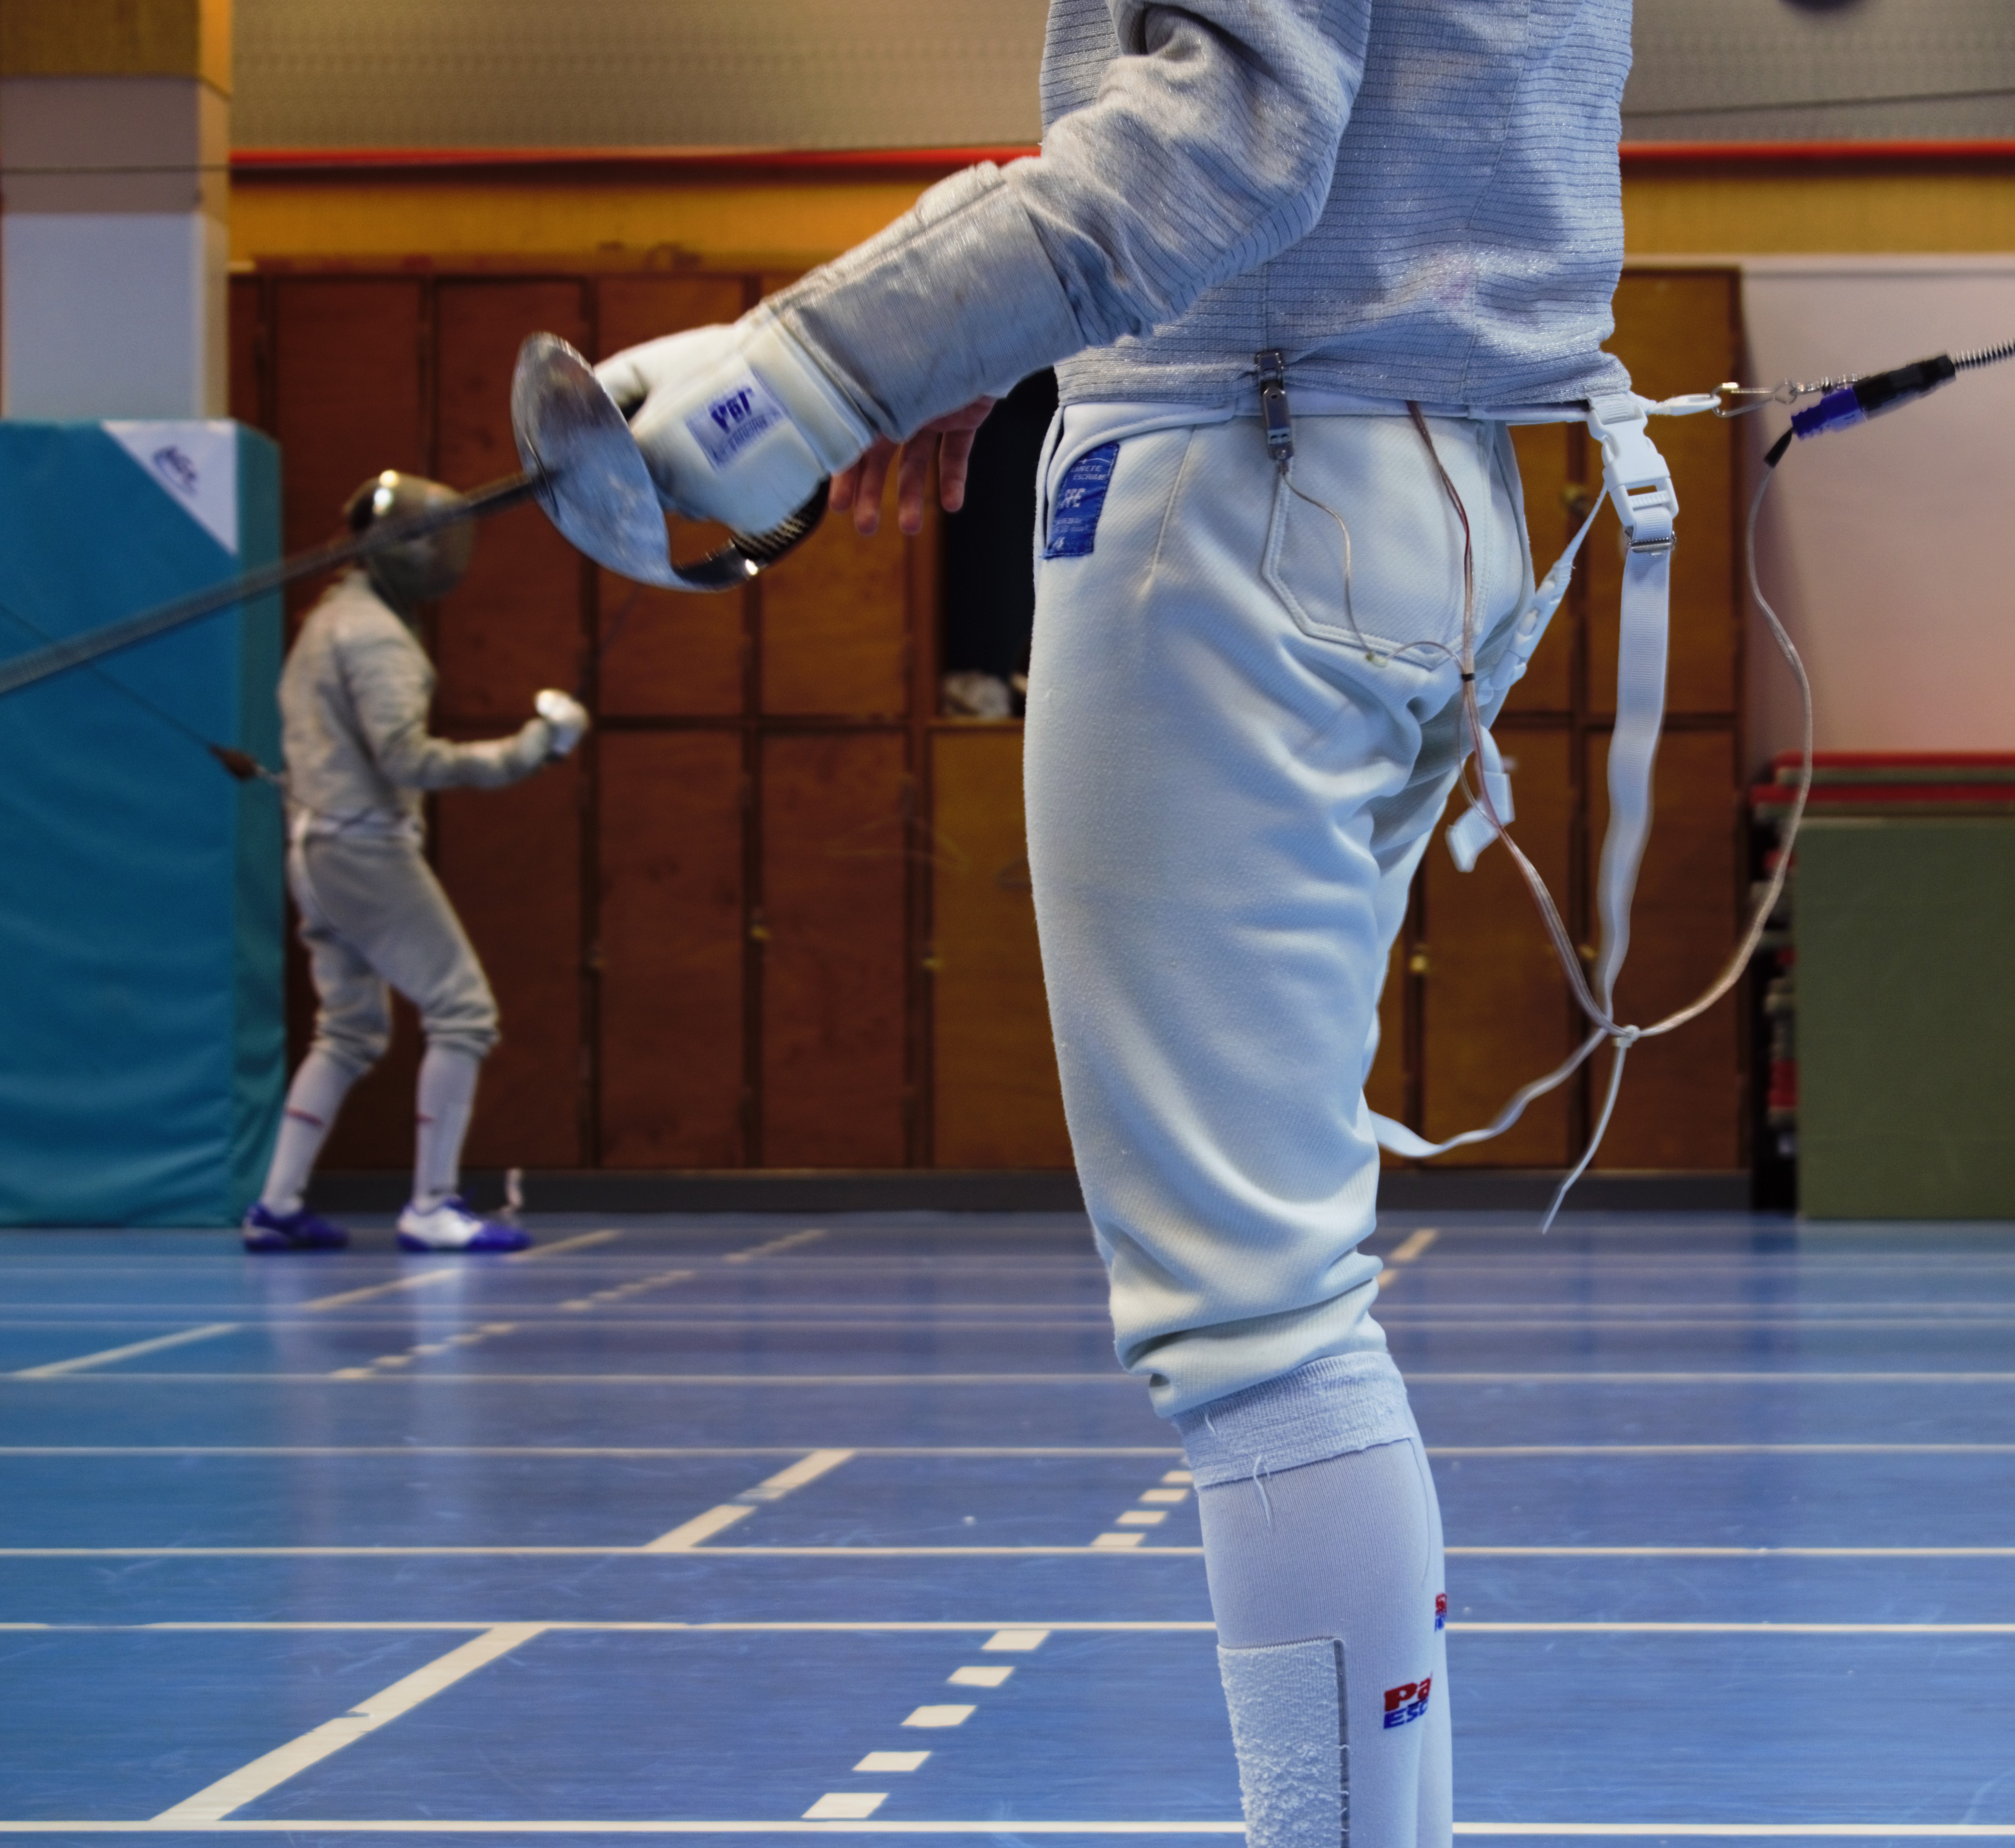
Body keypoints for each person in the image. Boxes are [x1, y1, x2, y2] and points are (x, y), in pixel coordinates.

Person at [587, 5, 1640, 1842]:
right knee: (1280, 1296)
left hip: (1246, 502)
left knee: (1254, 1325)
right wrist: (1004, 336)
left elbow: (1233, 129)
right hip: (1428, 486)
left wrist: (805, 372)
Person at [240, 472, 589, 1255]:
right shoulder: (373, 634)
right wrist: (530, 751)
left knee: (351, 1031)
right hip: (362, 848)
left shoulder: (330, 617)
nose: (440, 555)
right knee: (463, 1012)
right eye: (428, 539)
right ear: (396, 549)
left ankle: (277, 1204)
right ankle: (431, 1204)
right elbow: (405, 759)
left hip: (314, 849)